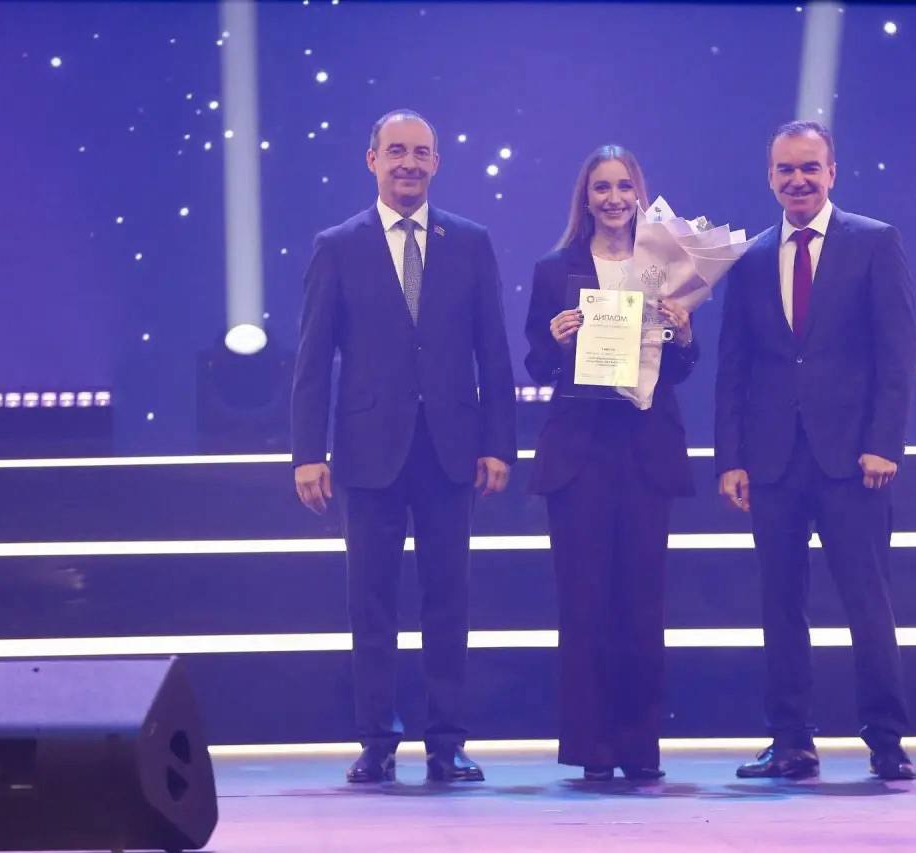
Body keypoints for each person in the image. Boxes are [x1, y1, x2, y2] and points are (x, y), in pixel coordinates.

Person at [291, 109, 516, 784]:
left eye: (421, 152)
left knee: (449, 598)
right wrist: (307, 452)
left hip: (451, 449)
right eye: (396, 151)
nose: (409, 163)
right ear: (372, 160)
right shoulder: (338, 245)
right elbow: (313, 358)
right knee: (372, 601)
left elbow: (493, 352)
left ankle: (447, 742)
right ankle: (377, 740)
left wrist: (498, 443)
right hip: (368, 451)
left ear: (437, 163)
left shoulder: (469, 242)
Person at [714, 121, 916, 781]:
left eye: (809, 168)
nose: (798, 180)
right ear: (769, 177)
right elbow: (734, 364)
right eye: (786, 169)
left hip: (853, 461)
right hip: (772, 460)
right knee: (779, 604)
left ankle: (887, 741)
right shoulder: (750, 257)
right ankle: (791, 741)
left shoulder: (874, 241)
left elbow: (897, 354)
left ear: (832, 172)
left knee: (867, 600)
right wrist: (731, 457)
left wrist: (883, 443)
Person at [523, 145, 697, 782]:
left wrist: (684, 334)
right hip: (580, 455)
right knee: (585, 603)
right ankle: (591, 747)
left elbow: (682, 367)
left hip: (646, 451)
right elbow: (536, 364)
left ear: (639, 195)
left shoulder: (667, 267)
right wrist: (555, 338)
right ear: (586, 198)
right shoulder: (555, 269)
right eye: (602, 187)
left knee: (642, 606)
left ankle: (639, 746)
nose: (615, 198)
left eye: (625, 186)